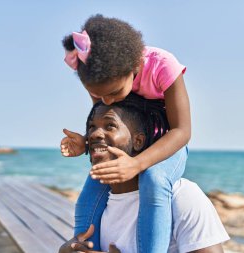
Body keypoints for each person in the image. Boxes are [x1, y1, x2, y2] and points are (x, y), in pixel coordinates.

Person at [61, 14, 191, 252]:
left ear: (132, 68)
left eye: (113, 92)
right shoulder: (95, 73)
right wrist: (85, 144)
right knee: (89, 195)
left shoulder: (162, 65)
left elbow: (182, 131)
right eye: (100, 96)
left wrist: (138, 164)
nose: (107, 101)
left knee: (154, 179)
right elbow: (103, 117)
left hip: (166, 143)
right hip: (129, 146)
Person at [59, 93, 229, 253]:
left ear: (138, 141)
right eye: (91, 127)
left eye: (110, 125)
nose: (95, 134)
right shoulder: (96, 204)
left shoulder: (181, 196)